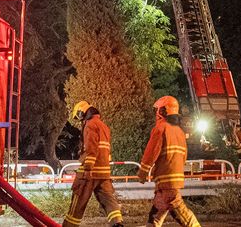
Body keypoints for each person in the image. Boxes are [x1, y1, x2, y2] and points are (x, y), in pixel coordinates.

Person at [137, 96, 201, 227]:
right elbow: (184, 155)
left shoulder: (160, 128)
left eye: (157, 110)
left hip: (166, 180)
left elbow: (151, 152)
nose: (156, 113)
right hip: (172, 178)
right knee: (155, 215)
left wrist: (143, 172)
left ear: (163, 111)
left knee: (179, 210)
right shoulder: (180, 132)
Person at [63, 101, 124, 227]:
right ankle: (117, 223)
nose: (79, 121)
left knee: (77, 204)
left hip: (90, 173)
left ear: (82, 113)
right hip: (104, 172)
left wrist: (87, 169)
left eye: (78, 117)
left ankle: (69, 226)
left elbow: (91, 149)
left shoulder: (90, 125)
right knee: (108, 200)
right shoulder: (104, 126)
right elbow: (105, 150)